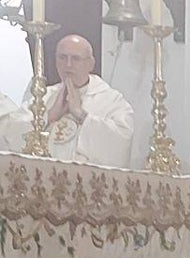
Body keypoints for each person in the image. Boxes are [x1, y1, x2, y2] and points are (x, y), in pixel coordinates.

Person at [0, 35, 134, 167]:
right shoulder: (44, 97)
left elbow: (121, 142)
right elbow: (10, 136)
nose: (68, 64)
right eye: (62, 57)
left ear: (90, 64)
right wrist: (50, 116)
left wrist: (81, 115)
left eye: (75, 58)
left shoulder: (111, 100)